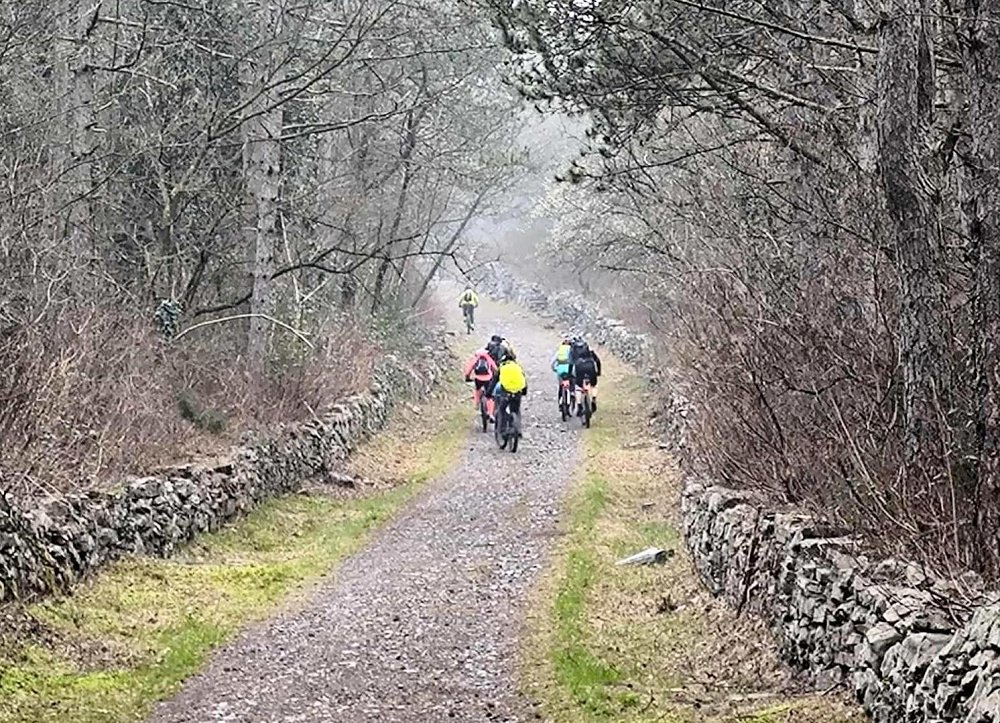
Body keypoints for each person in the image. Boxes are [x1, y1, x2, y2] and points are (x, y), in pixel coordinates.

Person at [493, 349, 528, 429]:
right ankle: (518, 429)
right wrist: (524, 392)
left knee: (501, 410)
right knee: (516, 410)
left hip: (506, 392)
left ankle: (501, 428)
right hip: (517, 392)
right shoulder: (518, 367)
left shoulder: (502, 367)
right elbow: (523, 380)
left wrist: (488, 393)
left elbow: (494, 381)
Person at [462, 346, 498, 421]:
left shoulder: (475, 359)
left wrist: (467, 377)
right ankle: (490, 414)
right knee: (489, 396)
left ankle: (477, 404)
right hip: (488, 378)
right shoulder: (488, 358)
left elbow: (468, 370)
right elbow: (495, 369)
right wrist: (494, 376)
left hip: (478, 378)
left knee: (477, 389)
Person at [570, 337, 602, 414]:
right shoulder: (589, 349)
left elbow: (571, 363)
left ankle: (579, 405)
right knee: (594, 385)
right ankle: (593, 399)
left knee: (578, 387)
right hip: (590, 366)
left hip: (579, 367)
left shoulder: (573, 350)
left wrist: (570, 374)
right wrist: (598, 372)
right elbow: (597, 360)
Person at [551, 336, 574, 403]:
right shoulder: (571, 350)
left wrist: (555, 369)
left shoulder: (560, 350)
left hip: (560, 370)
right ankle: (572, 392)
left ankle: (560, 400)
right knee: (572, 380)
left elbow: (552, 362)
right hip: (569, 369)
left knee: (561, 385)